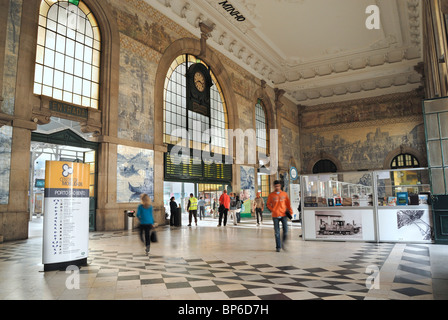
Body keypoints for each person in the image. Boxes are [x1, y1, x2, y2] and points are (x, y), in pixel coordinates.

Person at [266, 180, 293, 252]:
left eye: (278, 186)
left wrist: (290, 212)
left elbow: (288, 204)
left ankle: (283, 243)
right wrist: (272, 210)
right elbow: (268, 204)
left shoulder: (284, 194)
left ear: (280, 186)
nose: (277, 187)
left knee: (286, 231)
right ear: (274, 186)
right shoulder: (271, 195)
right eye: (275, 186)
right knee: (277, 232)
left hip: (283, 215)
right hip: (275, 216)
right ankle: (278, 247)